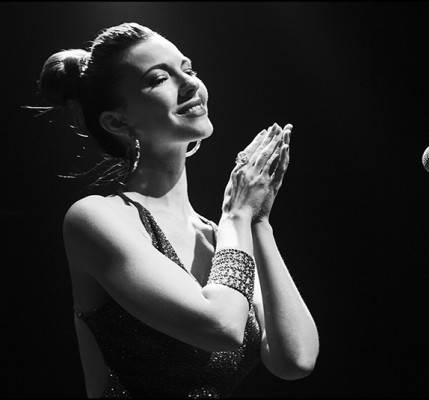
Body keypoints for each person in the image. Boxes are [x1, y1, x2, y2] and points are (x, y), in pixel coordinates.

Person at [36, 22, 319, 398]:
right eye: (159, 78)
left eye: (188, 69)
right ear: (117, 121)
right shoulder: (96, 218)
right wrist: (236, 215)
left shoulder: (222, 240)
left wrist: (258, 221)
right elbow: (221, 327)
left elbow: (294, 360)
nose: (189, 84)